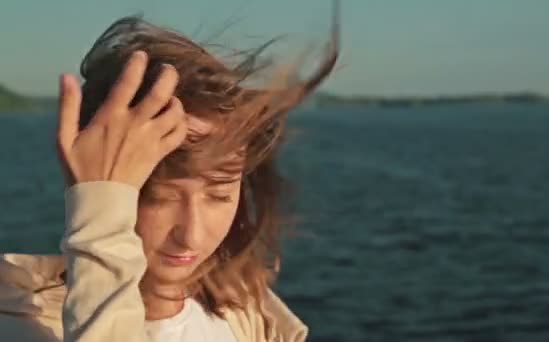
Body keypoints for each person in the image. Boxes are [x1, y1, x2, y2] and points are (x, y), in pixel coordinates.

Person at [0, 5, 338, 342]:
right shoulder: (24, 328)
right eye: (161, 197)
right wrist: (100, 216)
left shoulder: (250, 316)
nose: (190, 235)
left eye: (219, 195)